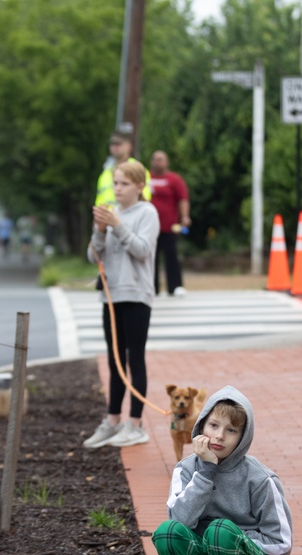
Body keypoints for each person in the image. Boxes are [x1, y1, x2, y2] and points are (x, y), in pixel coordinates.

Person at [152, 386, 293, 555]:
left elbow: (282, 542)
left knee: (219, 531)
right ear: (201, 425)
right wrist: (205, 472)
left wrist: (234, 539)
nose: (219, 436)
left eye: (231, 430)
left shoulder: (260, 478)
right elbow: (178, 521)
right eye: (214, 426)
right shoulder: (185, 470)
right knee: (167, 531)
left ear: (243, 437)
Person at [83, 160, 159, 449]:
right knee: (115, 361)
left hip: (137, 295)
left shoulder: (147, 213)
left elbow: (142, 250)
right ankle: (112, 420)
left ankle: (136, 423)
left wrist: (118, 226)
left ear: (139, 186)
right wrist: (101, 230)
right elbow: (94, 257)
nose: (118, 188)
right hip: (111, 295)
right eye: (115, 183)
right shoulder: (110, 213)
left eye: (124, 183)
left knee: (134, 357)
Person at [149, 150, 191, 296]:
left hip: (169, 226)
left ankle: (175, 286)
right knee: (150, 257)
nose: (157, 162)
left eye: (160, 159)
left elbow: (183, 199)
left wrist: (185, 217)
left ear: (166, 162)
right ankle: (152, 287)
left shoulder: (174, 179)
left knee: (171, 255)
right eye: (154, 159)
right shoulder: (146, 178)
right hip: (149, 227)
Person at [95, 126, 150, 209]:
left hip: (129, 218)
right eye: (113, 144)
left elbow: (144, 197)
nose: (115, 147)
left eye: (119, 144)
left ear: (129, 146)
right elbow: (99, 201)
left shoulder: (137, 168)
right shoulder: (106, 172)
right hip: (107, 219)